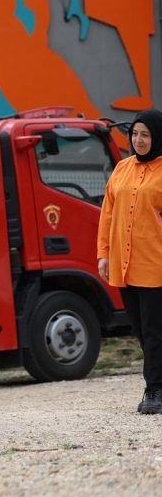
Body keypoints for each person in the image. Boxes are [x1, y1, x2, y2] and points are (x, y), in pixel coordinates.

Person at [97, 109, 162, 414]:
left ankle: (155, 390)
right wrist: (103, 254)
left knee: (153, 331)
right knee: (140, 330)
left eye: (145, 134)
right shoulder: (122, 169)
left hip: (156, 265)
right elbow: (107, 214)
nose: (139, 140)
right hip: (125, 264)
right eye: (135, 134)